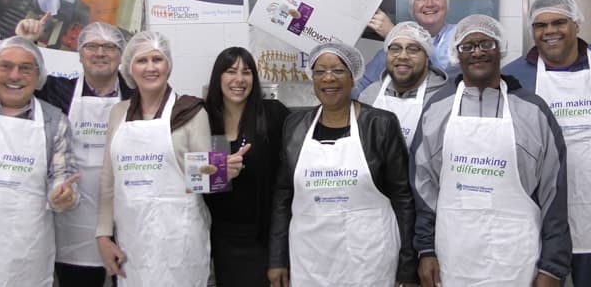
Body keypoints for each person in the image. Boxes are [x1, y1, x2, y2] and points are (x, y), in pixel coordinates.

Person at [412, 14, 571, 287]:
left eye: (486, 44)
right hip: (453, 256)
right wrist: (425, 250)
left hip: (518, 258)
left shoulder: (533, 111)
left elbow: (554, 194)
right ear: (456, 54)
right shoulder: (436, 110)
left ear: (500, 49)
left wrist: (552, 267)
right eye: (467, 46)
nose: (477, 52)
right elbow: (423, 187)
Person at [95, 31, 246, 286]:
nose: (151, 67)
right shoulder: (118, 114)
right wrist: (103, 235)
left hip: (180, 241)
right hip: (132, 241)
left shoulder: (191, 112)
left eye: (158, 59)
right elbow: (109, 180)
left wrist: (222, 171)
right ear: (129, 68)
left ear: (169, 66)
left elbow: (203, 180)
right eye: (142, 61)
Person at [268, 42, 419, 287]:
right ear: (313, 79)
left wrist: (407, 266)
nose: (329, 79)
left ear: (353, 77)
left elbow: (403, 198)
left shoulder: (380, 124)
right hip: (310, 259)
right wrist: (277, 259)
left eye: (338, 71)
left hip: (370, 259)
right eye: (320, 72)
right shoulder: (295, 126)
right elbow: (283, 198)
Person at [503, 0, 591, 286]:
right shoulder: (514, 76)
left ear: (577, 25)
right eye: (540, 25)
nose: (549, 32)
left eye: (559, 22)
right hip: (542, 222)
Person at [0, 36, 80, 286]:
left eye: (25, 68)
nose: (14, 75)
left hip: (21, 257)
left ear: (39, 76)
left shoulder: (55, 120)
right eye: (5, 66)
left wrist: (63, 195)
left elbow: (64, 178)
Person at [16, 17, 133, 287]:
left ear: (121, 56)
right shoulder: (57, 90)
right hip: (70, 219)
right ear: (80, 54)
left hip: (124, 218)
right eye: (92, 46)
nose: (100, 53)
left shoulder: (136, 96)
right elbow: (18, 80)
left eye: (110, 47)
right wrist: (26, 41)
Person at [203, 47, 290, 286]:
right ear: (218, 77)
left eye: (247, 72)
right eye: (231, 71)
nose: (239, 79)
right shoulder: (203, 119)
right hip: (220, 238)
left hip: (265, 238)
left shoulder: (273, 115)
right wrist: (219, 173)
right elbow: (189, 179)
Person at [354, 0, 459, 97]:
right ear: (412, 8)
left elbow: (445, 76)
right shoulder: (388, 52)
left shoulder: (459, 36)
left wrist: (394, 34)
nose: (429, 4)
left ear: (447, 5)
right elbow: (361, 86)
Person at [358, 21, 448, 145]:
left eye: (413, 49)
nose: (403, 56)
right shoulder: (370, 95)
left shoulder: (442, 99)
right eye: (395, 48)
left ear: (427, 57)